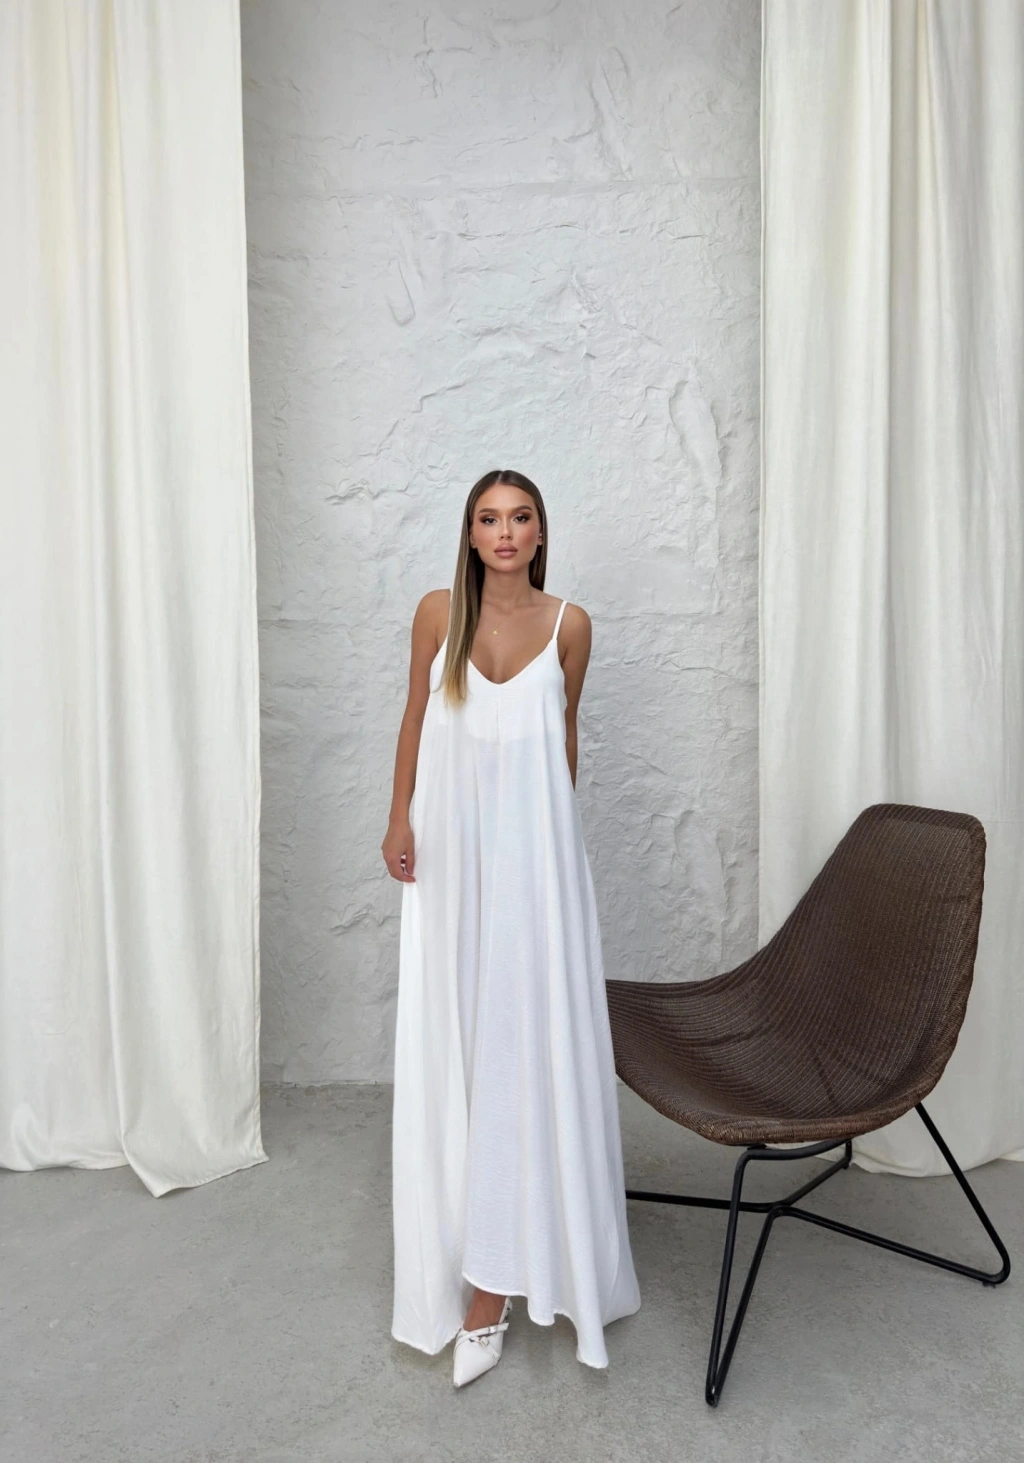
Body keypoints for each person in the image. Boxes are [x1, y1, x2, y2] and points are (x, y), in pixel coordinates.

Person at [382, 469, 641, 1387]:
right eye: (488, 518)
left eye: (519, 517)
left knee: (520, 1045)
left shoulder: (570, 625)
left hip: (535, 865)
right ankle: (465, 1243)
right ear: (470, 532)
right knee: (457, 1037)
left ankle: (492, 1290)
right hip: (452, 858)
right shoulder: (435, 615)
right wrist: (399, 816)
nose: (504, 531)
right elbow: (416, 719)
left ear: (539, 533)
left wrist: (556, 865)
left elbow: (563, 743)